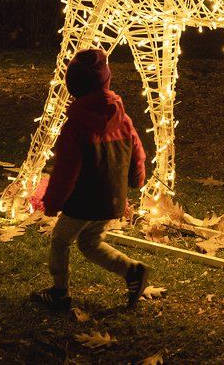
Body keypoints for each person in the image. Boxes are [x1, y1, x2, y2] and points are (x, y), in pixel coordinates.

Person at [30, 48, 150, 311]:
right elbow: (137, 151)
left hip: (85, 198)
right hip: (111, 197)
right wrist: (136, 178)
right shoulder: (122, 117)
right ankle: (132, 271)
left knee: (61, 240)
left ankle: (59, 293)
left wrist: (52, 202)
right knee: (90, 242)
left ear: (73, 86)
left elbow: (66, 169)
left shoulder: (76, 124)